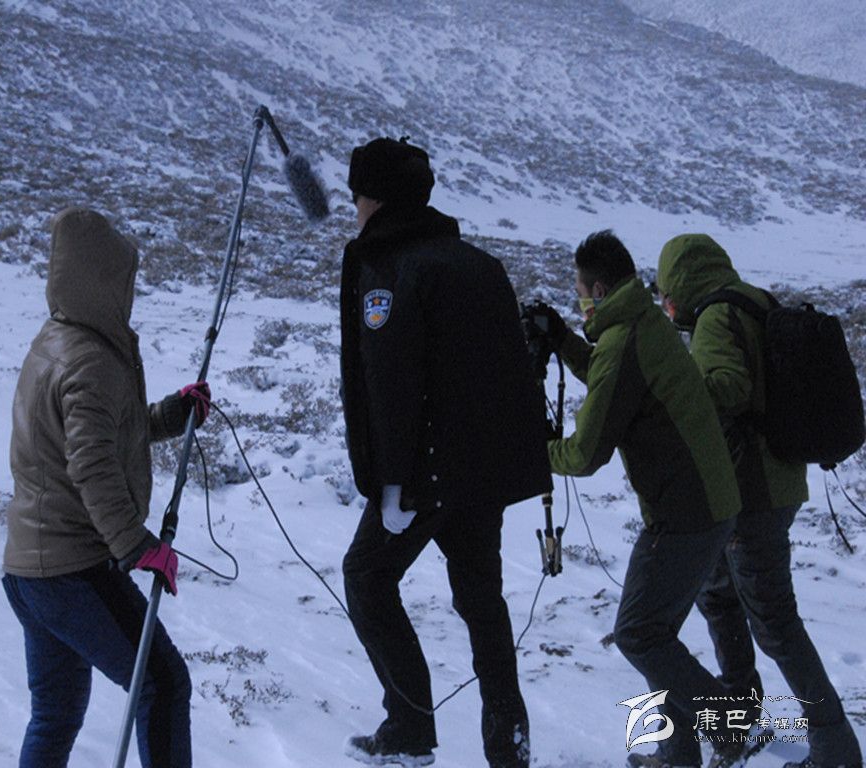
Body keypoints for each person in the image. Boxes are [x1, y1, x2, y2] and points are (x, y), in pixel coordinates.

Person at [339, 137, 552, 768]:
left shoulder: (392, 267)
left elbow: (393, 381)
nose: (354, 210)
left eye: (357, 197)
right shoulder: (478, 263)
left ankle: (408, 729)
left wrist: (395, 482)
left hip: (427, 471)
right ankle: (508, 742)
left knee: (366, 577)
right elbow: (511, 372)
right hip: (482, 473)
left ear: (376, 200)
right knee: (483, 601)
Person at [524, 230, 750, 768]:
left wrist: (532, 452)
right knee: (656, 633)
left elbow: (585, 454)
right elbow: (611, 377)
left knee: (638, 634)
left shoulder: (625, 339)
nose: (580, 301)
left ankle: (729, 722)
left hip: (687, 513)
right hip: (707, 503)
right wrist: (563, 339)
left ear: (599, 291)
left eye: (580, 293)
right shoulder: (642, 323)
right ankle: (677, 755)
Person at [1, 207, 212, 768]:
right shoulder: (89, 360)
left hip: (29, 570)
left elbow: (101, 433)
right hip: (71, 568)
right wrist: (137, 546)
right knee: (163, 684)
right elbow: (91, 464)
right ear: (101, 282)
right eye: (123, 281)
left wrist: (170, 416)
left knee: (56, 711)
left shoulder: (58, 339)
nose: (129, 294)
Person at [656, 233, 863, 768]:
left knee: (775, 623)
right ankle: (740, 719)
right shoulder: (754, 301)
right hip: (773, 484)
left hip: (750, 494)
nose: (666, 304)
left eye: (667, 292)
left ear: (682, 281)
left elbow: (728, 387)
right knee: (718, 595)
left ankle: (836, 747)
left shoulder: (715, 318)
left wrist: (676, 390)